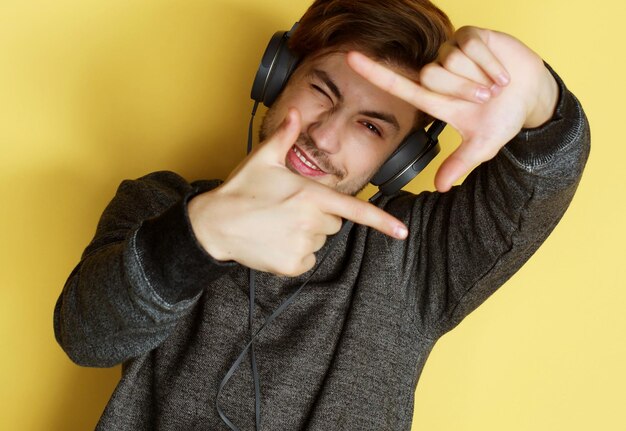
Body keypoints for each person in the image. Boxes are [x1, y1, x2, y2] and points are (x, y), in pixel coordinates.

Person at [54, 0, 590, 429]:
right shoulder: (160, 203)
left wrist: (540, 97)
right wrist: (199, 237)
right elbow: (87, 336)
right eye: (321, 90)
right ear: (277, 78)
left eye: (372, 127)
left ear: (402, 161)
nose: (325, 135)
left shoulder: (415, 256)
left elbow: (540, 181)